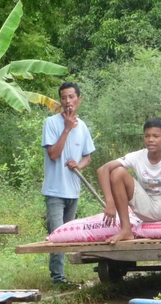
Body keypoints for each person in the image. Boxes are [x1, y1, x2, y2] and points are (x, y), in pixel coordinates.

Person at [96, 117, 161, 244]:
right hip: (146, 207)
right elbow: (103, 170)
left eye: (156, 136)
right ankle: (126, 229)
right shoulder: (137, 156)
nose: (150, 140)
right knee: (117, 172)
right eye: (147, 136)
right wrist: (109, 201)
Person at [42, 81, 96, 287]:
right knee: (56, 235)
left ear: (79, 99)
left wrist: (79, 165)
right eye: (63, 98)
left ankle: (62, 277)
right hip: (55, 190)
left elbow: (87, 157)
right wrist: (66, 129)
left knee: (69, 235)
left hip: (73, 190)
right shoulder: (52, 123)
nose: (67, 102)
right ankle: (57, 279)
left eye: (71, 97)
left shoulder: (82, 127)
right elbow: (53, 155)